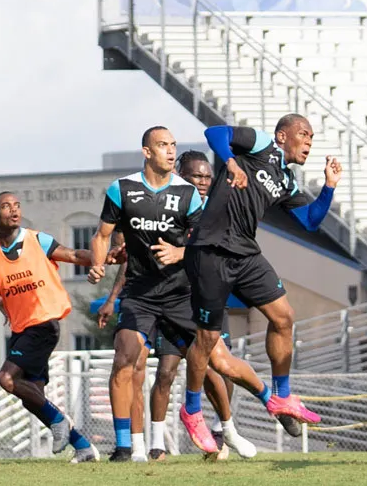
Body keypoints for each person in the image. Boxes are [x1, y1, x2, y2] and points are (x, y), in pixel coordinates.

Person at [88, 128, 254, 461]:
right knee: (125, 359)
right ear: (146, 152)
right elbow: (102, 235)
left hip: (183, 294)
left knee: (214, 365)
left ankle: (229, 429)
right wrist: (96, 264)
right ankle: (127, 447)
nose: (170, 150)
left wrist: (179, 254)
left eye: (173, 145)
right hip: (141, 293)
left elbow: (202, 242)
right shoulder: (122, 189)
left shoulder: (187, 194)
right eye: (163, 145)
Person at [179, 114, 342, 449]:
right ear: (282, 136)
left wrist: (328, 188)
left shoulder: (286, 181)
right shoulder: (261, 143)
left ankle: (281, 395)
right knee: (207, 340)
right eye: (303, 134)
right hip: (210, 249)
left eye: (312, 138)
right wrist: (231, 164)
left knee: (284, 317)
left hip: (245, 253)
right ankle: (192, 410)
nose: (309, 142)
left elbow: (310, 221)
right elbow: (215, 132)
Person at [0, 192, 99, 463]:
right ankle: (83, 446)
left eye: (16, 205)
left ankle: (60, 420)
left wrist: (102, 258)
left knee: (7, 379)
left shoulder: (37, 240)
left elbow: (72, 254)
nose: (13, 210)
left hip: (44, 324)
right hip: (21, 329)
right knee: (32, 397)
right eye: (5, 206)